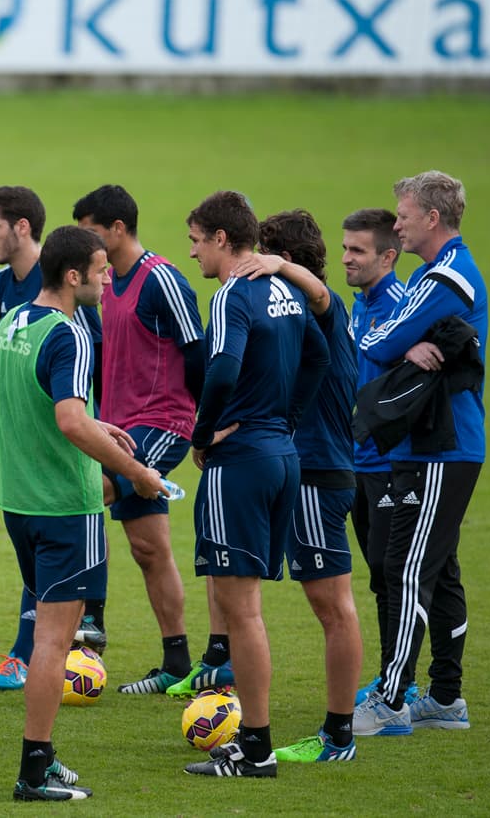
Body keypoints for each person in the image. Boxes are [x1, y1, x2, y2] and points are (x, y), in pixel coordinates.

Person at [0, 225, 167, 801]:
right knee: (54, 644)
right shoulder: (70, 332)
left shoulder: (11, 322)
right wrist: (135, 474)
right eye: (99, 269)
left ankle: (44, 757)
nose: (106, 276)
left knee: (50, 635)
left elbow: (21, 409)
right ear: (73, 276)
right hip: (68, 507)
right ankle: (33, 772)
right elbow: (67, 420)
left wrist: (97, 423)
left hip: (19, 503)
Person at [182, 191, 328, 778]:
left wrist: (202, 435)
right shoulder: (285, 290)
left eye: (196, 239)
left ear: (222, 239)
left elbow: (222, 368)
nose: (192, 251)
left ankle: (256, 747)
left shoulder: (230, 295)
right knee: (249, 609)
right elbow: (320, 356)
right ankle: (255, 740)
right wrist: (288, 421)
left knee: (240, 611)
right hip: (282, 457)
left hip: (239, 461)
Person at [0, 185, 98, 691]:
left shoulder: (66, 297)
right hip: (31, 443)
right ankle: (50, 641)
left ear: (22, 228)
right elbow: (6, 337)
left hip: (73, 437)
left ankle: (57, 641)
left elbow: (81, 369)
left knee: (89, 533)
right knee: (51, 544)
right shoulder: (9, 285)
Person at [353, 171, 486, 736]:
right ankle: (447, 700)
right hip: (435, 444)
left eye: (403, 214)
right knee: (442, 570)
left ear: (432, 219)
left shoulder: (447, 277)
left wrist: (401, 341)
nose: (398, 222)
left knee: (408, 571)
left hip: (441, 447)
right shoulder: (439, 274)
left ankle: (390, 698)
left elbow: (378, 342)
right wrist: (415, 343)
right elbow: (397, 341)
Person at [231, 210, 362, 762]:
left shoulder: (320, 306)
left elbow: (320, 296)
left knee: (333, 608)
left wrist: (280, 266)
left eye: (263, 254)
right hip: (303, 469)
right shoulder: (297, 314)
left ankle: (338, 736)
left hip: (316, 474)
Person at [73, 184, 207, 695]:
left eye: (91, 232)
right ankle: (177, 662)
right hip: (121, 425)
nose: (86, 242)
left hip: (165, 422)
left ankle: (92, 618)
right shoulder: (104, 283)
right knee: (150, 548)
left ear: (118, 230)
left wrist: (203, 425)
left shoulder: (162, 279)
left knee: (89, 492)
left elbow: (196, 354)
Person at [340, 208, 412, 706]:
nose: (346, 258)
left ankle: (397, 686)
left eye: (357, 251)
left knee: (393, 574)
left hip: (392, 463)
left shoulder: (404, 306)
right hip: (358, 461)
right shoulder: (361, 302)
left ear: (388, 256)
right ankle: (393, 677)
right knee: (378, 575)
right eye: (345, 248)